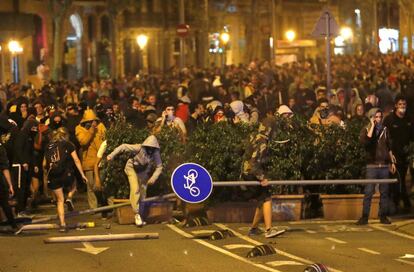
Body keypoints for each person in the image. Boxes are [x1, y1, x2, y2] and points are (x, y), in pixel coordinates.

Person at [241, 117, 286, 238]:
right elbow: (254, 163)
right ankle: (269, 230)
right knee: (267, 198)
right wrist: (262, 178)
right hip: (252, 173)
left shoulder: (254, 136)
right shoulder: (262, 142)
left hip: (246, 172)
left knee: (262, 199)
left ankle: (254, 229)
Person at [107, 135, 162, 227]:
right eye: (149, 147)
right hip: (131, 167)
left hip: (143, 171)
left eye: (152, 148)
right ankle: (136, 214)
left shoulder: (155, 153)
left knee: (143, 193)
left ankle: (141, 215)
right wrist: (111, 155)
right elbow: (123, 146)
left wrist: (153, 178)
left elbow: (159, 166)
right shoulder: (138, 148)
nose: (150, 150)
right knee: (135, 188)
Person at [356, 108, 396, 225]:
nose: (378, 119)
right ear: (371, 117)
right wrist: (372, 126)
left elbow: (388, 147)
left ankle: (383, 216)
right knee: (368, 192)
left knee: (384, 192)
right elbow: (367, 142)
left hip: (383, 165)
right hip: (372, 165)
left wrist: (392, 162)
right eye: (376, 117)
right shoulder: (366, 130)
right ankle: (364, 217)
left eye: (380, 117)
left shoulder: (385, 130)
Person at [45, 127, 88, 232]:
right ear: (66, 136)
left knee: (60, 200)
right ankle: (69, 197)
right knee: (74, 183)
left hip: (53, 176)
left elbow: (44, 164)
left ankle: (63, 224)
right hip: (65, 175)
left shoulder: (48, 146)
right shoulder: (69, 144)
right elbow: (76, 160)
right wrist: (82, 174)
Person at [383, 95, 413, 214]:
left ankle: (401, 201)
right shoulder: (389, 120)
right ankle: (399, 201)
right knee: (397, 178)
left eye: (404, 105)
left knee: (403, 177)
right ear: (396, 105)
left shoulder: (409, 119)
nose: (402, 107)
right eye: (400, 105)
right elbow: (385, 137)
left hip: (406, 155)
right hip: (393, 155)